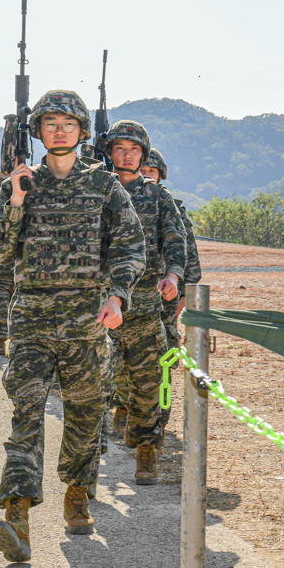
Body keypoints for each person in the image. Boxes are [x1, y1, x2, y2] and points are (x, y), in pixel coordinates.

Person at [0, 90, 145, 563]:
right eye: (50, 123)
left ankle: (78, 490)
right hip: (32, 318)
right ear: (37, 131)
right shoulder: (21, 183)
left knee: (84, 414)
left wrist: (118, 294)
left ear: (81, 132)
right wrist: (15, 199)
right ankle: (17, 516)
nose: (58, 130)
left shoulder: (103, 184)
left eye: (67, 124)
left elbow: (130, 246)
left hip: (87, 321)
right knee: (27, 415)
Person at [101, 121, 185, 484]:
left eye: (134, 150)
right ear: (110, 153)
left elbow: (176, 241)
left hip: (145, 303)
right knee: (108, 380)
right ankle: (90, 463)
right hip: (101, 305)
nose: (127, 155)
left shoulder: (158, 197)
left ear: (143, 155)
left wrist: (174, 276)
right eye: (120, 148)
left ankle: (147, 449)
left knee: (149, 381)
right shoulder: (96, 191)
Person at [141, 147, 202, 448]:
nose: (146, 176)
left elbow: (189, 258)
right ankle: (125, 407)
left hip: (164, 299)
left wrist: (180, 296)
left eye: (151, 172)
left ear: (161, 176)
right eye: (142, 171)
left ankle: (155, 427)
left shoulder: (173, 208)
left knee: (161, 359)